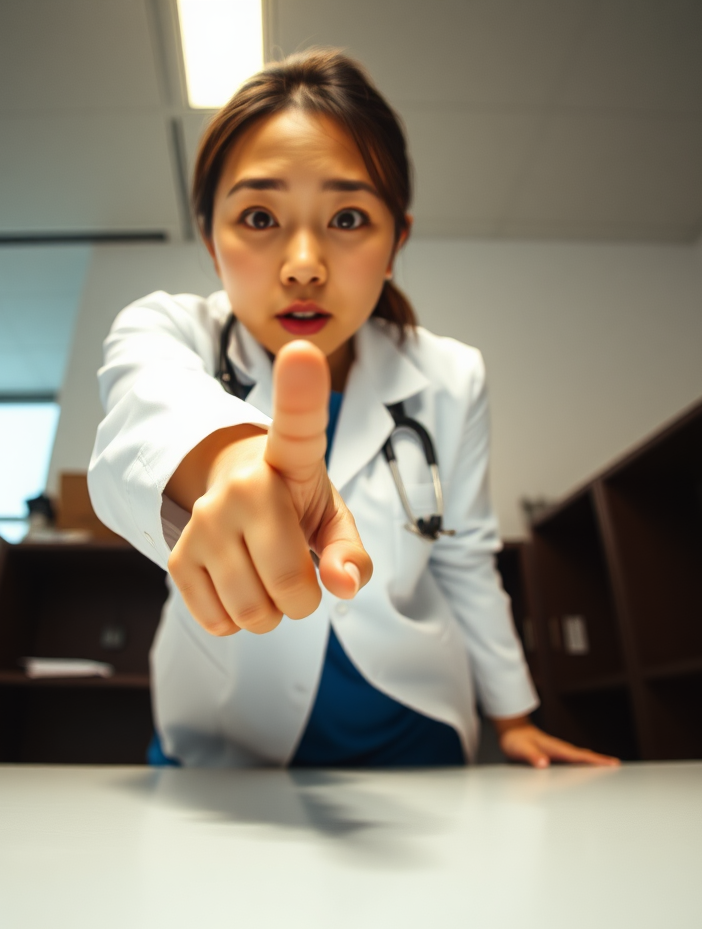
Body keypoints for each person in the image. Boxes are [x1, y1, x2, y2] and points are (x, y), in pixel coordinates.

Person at [88, 49, 617, 771]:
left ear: (395, 241)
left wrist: (514, 717)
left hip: (414, 737)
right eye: (258, 216)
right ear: (212, 242)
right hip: (223, 743)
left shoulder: (451, 375)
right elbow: (144, 414)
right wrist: (234, 459)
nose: (303, 262)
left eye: (346, 217)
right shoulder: (168, 331)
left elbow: (463, 560)